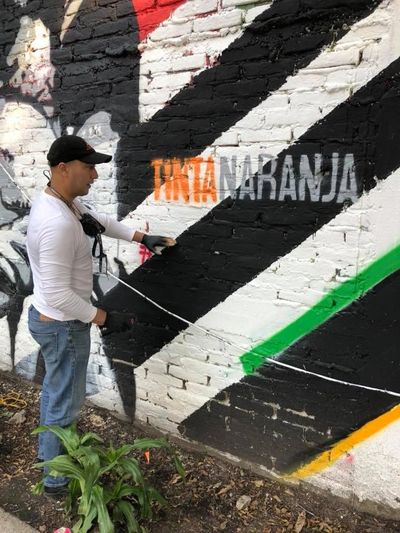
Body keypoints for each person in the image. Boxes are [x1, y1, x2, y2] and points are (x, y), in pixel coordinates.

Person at [26, 135, 175, 496]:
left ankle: (51, 459)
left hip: (49, 318)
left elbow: (99, 221)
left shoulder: (62, 204)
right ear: (63, 168)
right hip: (62, 325)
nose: (95, 174)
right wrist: (104, 319)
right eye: (89, 166)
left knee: (55, 394)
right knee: (65, 401)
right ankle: (56, 481)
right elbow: (62, 294)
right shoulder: (57, 223)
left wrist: (142, 237)